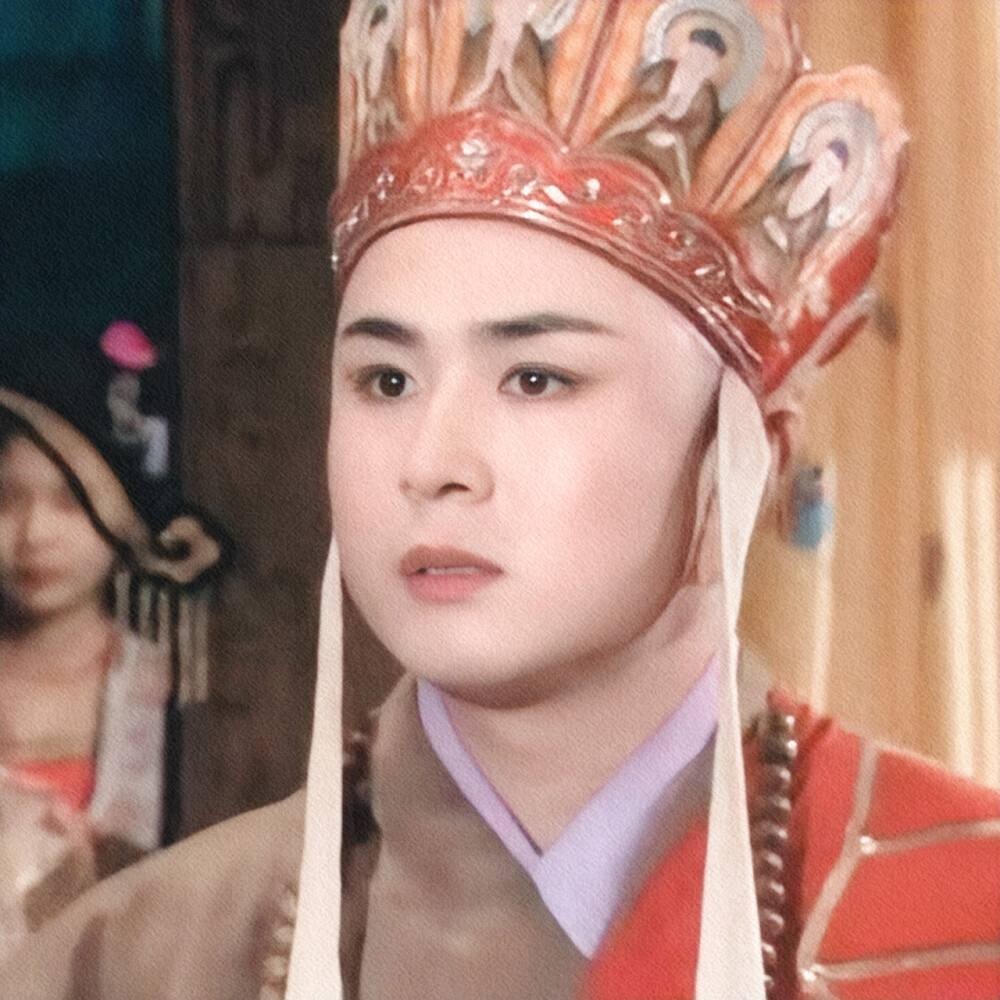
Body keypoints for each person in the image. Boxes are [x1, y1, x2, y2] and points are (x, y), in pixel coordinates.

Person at [3, 2, 1000, 999]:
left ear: (747, 458)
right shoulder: (129, 963)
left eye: (535, 378)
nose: (434, 463)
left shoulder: (960, 911)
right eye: (386, 381)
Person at [0, 335, 226, 959]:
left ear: (124, 518)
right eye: (6, 501)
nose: (34, 534)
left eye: (71, 504)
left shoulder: (157, 680)